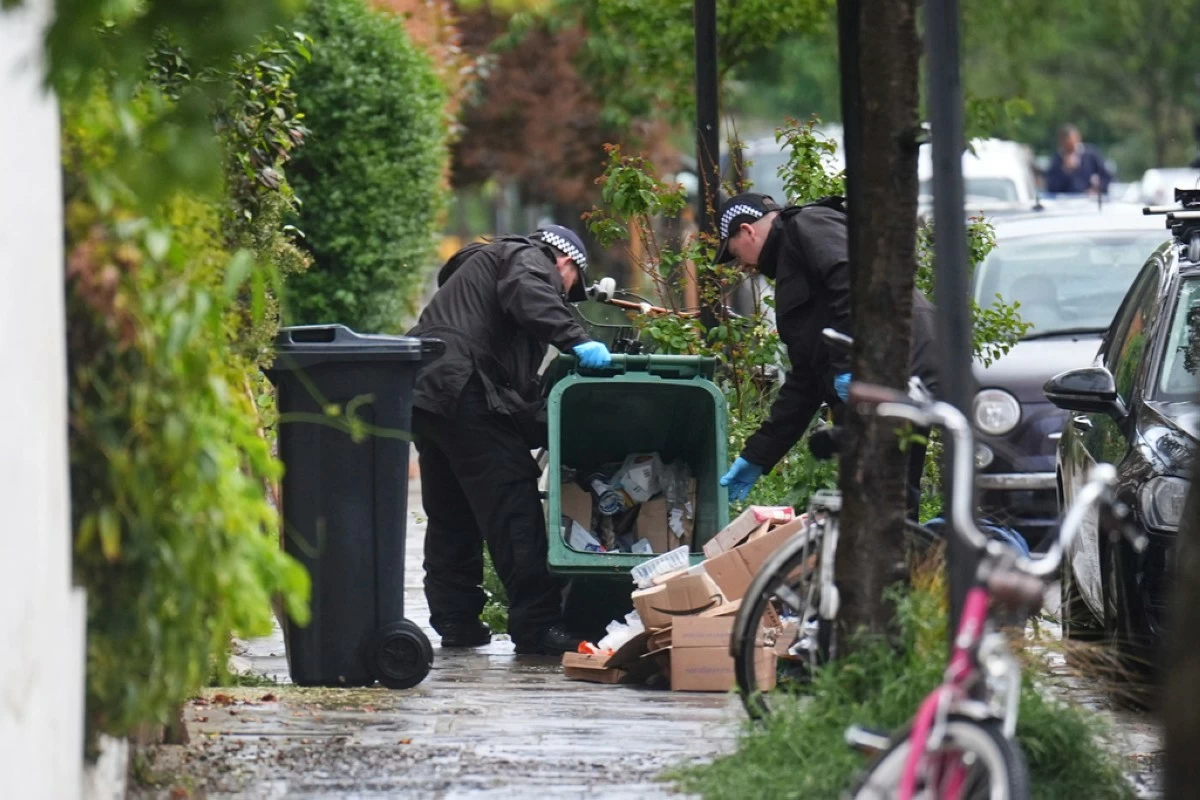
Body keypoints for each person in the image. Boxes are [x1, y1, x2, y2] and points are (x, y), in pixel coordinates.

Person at [406, 225, 612, 655]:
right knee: (512, 501)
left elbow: (510, 385)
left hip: (426, 389)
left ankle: (457, 620)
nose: (565, 294)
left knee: (452, 511)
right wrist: (579, 341)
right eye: (569, 287)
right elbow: (528, 292)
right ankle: (537, 626)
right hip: (462, 386)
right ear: (565, 262)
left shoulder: (481, 275)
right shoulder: (526, 256)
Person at [713, 192, 940, 516]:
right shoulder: (791, 267)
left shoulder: (808, 225)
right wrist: (758, 455)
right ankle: (903, 560)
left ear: (748, 231)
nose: (743, 267)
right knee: (881, 494)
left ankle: (906, 560)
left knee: (887, 493)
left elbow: (853, 283)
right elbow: (806, 380)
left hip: (901, 361)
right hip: (879, 375)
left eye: (736, 255)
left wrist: (852, 364)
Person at [1044, 124, 1111, 196]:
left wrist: (1097, 188)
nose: (1069, 148)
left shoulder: (1090, 154)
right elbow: (1051, 186)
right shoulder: (1057, 158)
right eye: (1066, 144)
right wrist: (1065, 170)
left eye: (1071, 143)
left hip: (1089, 198)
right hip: (1064, 200)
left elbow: (1106, 176)